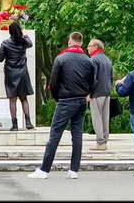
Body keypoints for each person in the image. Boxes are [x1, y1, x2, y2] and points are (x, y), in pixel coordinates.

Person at [28, 32, 95, 179]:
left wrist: (58, 98)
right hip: (81, 101)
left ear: (70, 42)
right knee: (77, 135)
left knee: (55, 134)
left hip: (66, 100)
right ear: (81, 43)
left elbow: (53, 83)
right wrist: (87, 94)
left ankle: (44, 170)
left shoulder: (61, 58)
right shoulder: (88, 60)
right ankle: (74, 170)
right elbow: (93, 82)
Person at [0, 21, 34, 131]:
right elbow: (30, 44)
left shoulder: (5, 43)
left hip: (10, 74)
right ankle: (28, 122)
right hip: (22, 73)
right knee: (24, 98)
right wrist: (25, 35)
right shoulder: (24, 42)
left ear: (10, 32)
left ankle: (14, 125)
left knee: (12, 100)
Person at [87, 38, 113, 150]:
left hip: (96, 92)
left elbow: (92, 78)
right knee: (105, 118)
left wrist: (88, 92)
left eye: (89, 46)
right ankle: (104, 141)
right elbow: (111, 77)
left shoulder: (93, 59)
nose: (87, 48)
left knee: (97, 118)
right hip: (107, 92)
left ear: (95, 47)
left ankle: (100, 143)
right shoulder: (107, 59)